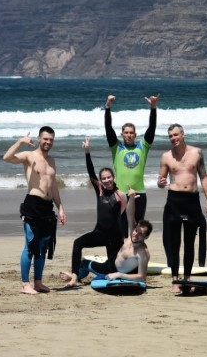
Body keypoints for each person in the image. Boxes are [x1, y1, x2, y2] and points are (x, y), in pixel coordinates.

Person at [3, 126, 67, 295]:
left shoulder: (52, 161)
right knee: (31, 246)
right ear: (39, 139)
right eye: (45, 139)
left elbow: (53, 187)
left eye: (51, 139)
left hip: (47, 207)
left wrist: (60, 207)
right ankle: (25, 284)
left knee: (43, 246)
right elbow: (7, 158)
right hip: (33, 204)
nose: (48, 142)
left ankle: (38, 282)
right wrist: (20, 141)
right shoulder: (29, 156)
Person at [62, 137, 131, 288]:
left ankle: (84, 268)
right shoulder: (99, 190)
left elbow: (124, 218)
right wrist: (87, 152)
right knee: (78, 243)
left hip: (114, 237)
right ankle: (74, 277)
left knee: (111, 269)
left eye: (109, 177)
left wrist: (126, 238)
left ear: (113, 178)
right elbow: (90, 172)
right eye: (104, 178)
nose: (106, 180)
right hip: (99, 233)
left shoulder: (121, 195)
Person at [157, 123, 207, 293]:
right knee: (174, 242)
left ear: (183, 134)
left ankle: (187, 278)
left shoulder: (196, 153)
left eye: (176, 135)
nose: (173, 138)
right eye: (170, 136)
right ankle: (175, 279)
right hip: (174, 201)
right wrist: (160, 183)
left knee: (190, 241)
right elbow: (161, 180)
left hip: (192, 201)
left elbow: (203, 176)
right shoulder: (166, 156)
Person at [104, 94, 158, 235]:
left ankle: (136, 255)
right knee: (121, 229)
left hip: (139, 194)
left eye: (131, 133)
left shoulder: (142, 147)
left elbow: (152, 128)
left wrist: (153, 108)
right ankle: (122, 255)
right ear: (121, 134)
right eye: (126, 133)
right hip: (120, 194)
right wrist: (108, 107)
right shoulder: (117, 148)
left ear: (135, 134)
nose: (128, 135)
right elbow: (108, 128)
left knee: (138, 230)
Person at [61, 220, 153, 284]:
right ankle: (77, 276)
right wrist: (132, 198)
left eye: (140, 233)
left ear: (146, 237)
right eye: (136, 230)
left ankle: (75, 277)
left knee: (84, 263)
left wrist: (119, 274)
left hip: (109, 270)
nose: (136, 234)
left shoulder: (142, 253)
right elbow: (130, 213)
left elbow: (142, 277)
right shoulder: (130, 237)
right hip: (111, 262)